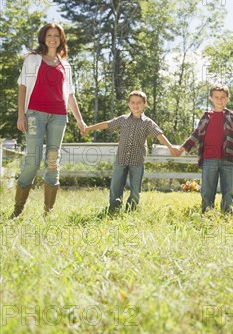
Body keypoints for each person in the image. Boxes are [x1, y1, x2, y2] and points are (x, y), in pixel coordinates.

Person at [13, 23, 86, 217]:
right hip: (35, 114)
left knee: (53, 160)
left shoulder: (65, 64)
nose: (52, 38)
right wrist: (21, 115)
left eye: (56, 35)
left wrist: (80, 120)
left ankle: (48, 213)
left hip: (59, 116)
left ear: (61, 39)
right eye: (49, 35)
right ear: (43, 38)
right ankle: (17, 210)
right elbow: (22, 86)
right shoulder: (32, 60)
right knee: (33, 160)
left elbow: (70, 94)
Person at [83, 90, 180, 212]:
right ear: (128, 104)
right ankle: (114, 208)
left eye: (139, 102)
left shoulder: (148, 123)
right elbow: (107, 124)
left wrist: (170, 147)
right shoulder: (123, 119)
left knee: (135, 189)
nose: (136, 105)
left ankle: (131, 210)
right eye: (133, 102)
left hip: (137, 161)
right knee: (116, 186)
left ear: (145, 104)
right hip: (121, 159)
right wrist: (89, 128)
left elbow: (159, 135)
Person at [176, 84, 233, 214]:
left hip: (228, 158)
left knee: (227, 190)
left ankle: (227, 214)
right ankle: (207, 213)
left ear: (227, 98)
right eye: (216, 97)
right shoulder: (206, 116)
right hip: (209, 158)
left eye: (223, 97)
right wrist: (181, 148)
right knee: (207, 190)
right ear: (211, 98)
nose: (219, 100)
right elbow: (195, 134)